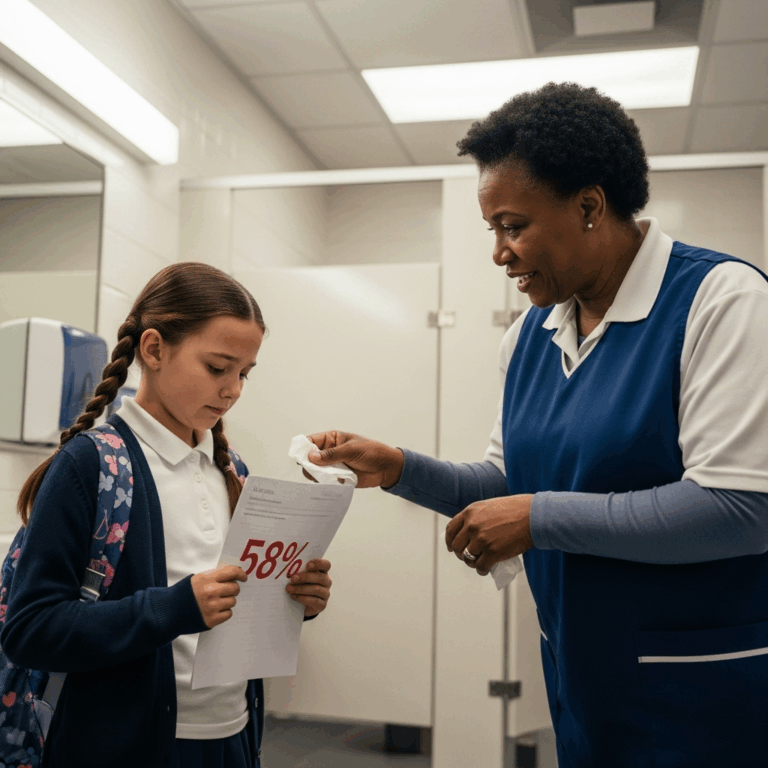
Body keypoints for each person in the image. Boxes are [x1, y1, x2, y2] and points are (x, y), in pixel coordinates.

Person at [302, 82, 768, 767]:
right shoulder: (530, 335)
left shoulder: (723, 301)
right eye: (493, 229)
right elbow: (506, 484)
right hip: (583, 681)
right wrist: (397, 467)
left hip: (704, 693)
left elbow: (740, 506)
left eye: (513, 226)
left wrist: (540, 518)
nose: (499, 252)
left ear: (588, 206)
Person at [1, 263, 334, 768]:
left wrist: (294, 600)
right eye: (217, 368)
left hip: (233, 736)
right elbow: (32, 630)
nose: (233, 390)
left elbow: (232, 607)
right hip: (125, 745)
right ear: (154, 350)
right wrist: (172, 608)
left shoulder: (231, 469)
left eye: (244, 374)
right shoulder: (91, 466)